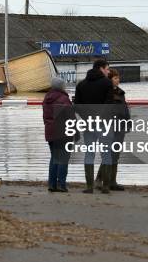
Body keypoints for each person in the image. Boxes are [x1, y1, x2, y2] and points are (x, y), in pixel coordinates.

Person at [74, 58, 114, 194]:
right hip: (104, 124)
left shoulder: (81, 85)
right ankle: (106, 186)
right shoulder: (107, 83)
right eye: (107, 69)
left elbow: (77, 106)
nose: (108, 72)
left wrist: (87, 118)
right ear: (101, 68)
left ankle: (89, 186)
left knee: (89, 154)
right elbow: (109, 104)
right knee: (106, 154)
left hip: (88, 124)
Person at [43, 77, 76, 192]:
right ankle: (62, 184)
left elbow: (46, 117)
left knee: (54, 158)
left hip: (50, 132)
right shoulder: (63, 99)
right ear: (61, 86)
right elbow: (70, 117)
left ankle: (52, 185)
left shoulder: (47, 98)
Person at [104, 68, 130, 191]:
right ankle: (105, 181)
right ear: (109, 80)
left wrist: (128, 123)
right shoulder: (106, 93)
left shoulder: (121, 93)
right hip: (110, 127)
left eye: (118, 78)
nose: (118, 80)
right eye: (115, 78)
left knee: (116, 155)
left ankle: (112, 181)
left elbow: (125, 109)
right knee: (110, 154)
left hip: (121, 127)